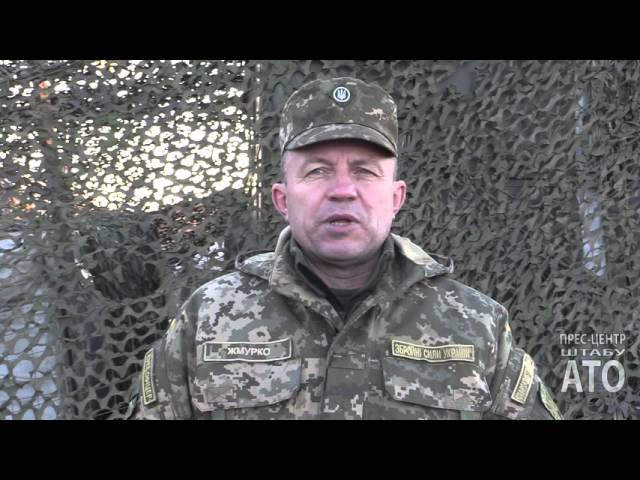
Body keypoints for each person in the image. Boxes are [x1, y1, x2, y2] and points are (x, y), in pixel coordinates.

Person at [126, 76, 563, 420]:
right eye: (317, 171)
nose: (342, 190)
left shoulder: (476, 325)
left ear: (396, 197)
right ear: (282, 199)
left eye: (365, 171)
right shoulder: (208, 318)